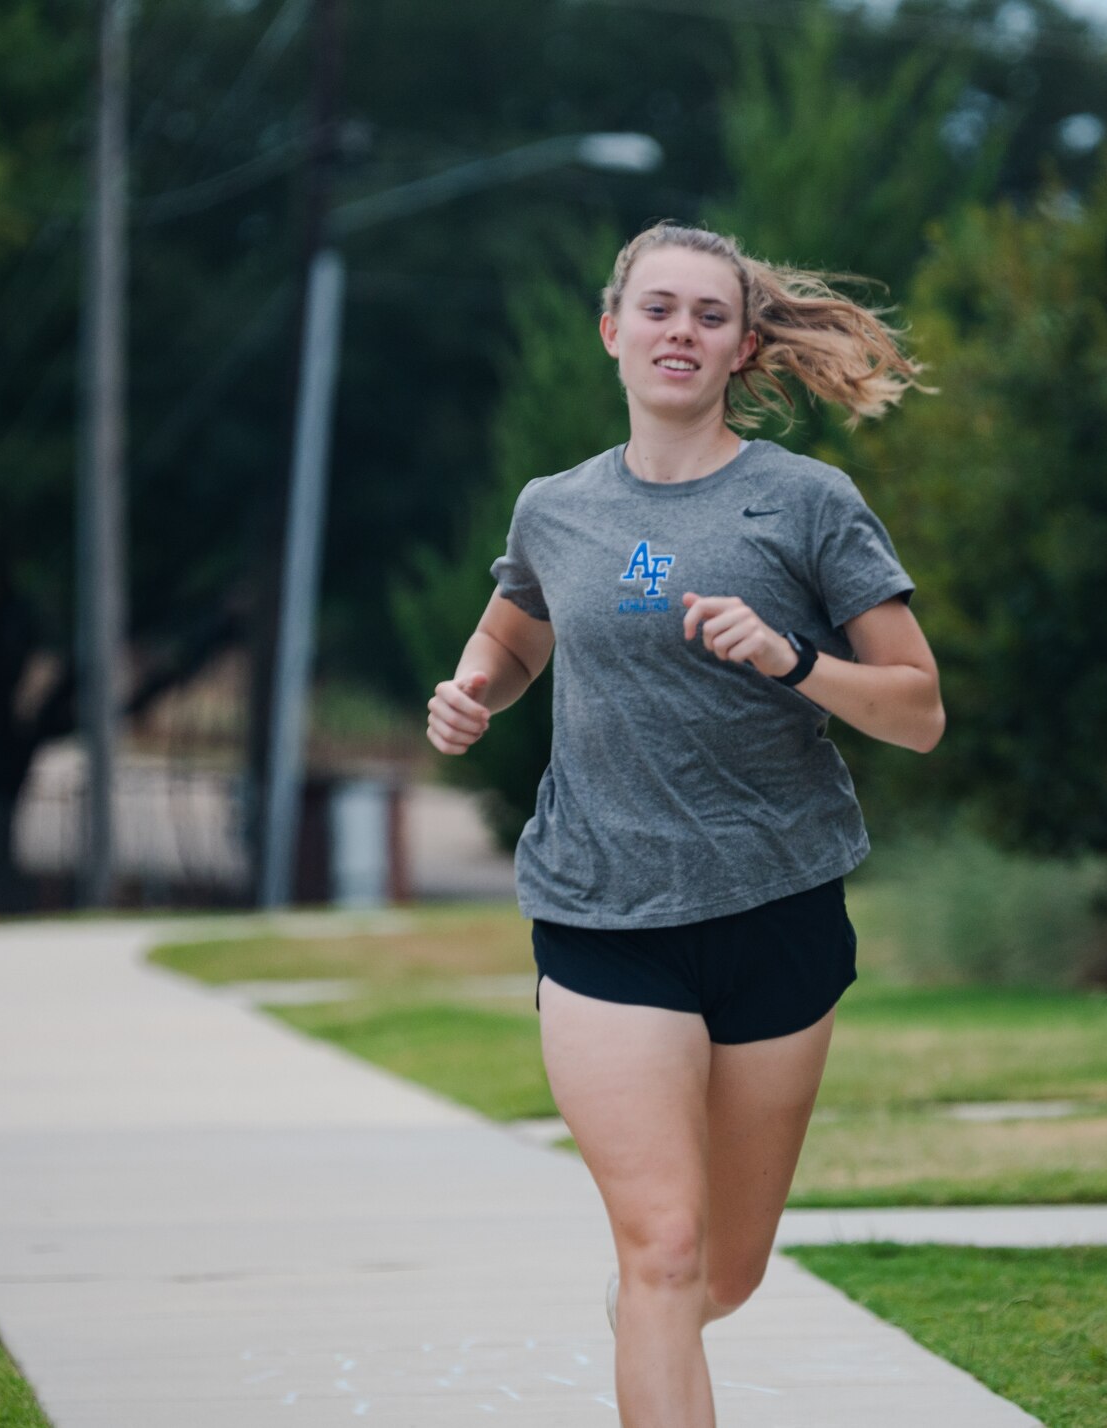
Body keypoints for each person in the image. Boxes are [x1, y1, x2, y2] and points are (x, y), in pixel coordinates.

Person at [423, 220, 943, 1427]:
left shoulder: (807, 504)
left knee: (722, 1273)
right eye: (656, 309)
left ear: (741, 347)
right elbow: (514, 628)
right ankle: (651, 1323)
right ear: (613, 333)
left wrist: (790, 658)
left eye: (708, 315)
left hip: (776, 907)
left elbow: (916, 712)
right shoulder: (555, 509)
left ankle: (651, 1330)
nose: (679, 331)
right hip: (603, 911)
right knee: (660, 1244)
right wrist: (474, 693)